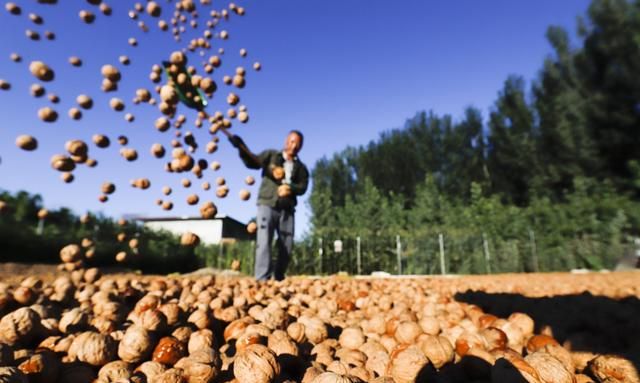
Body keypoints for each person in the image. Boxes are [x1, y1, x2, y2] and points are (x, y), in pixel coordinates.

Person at [229, 131, 309, 281]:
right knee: (264, 240)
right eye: (292, 141)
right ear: (286, 142)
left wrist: (290, 188)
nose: (294, 145)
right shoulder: (272, 156)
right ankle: (262, 279)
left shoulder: (301, 168)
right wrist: (240, 147)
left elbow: (303, 187)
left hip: (287, 209)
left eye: (298, 143)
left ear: (301, 146)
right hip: (267, 204)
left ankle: (279, 276)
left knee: (287, 244)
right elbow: (253, 161)